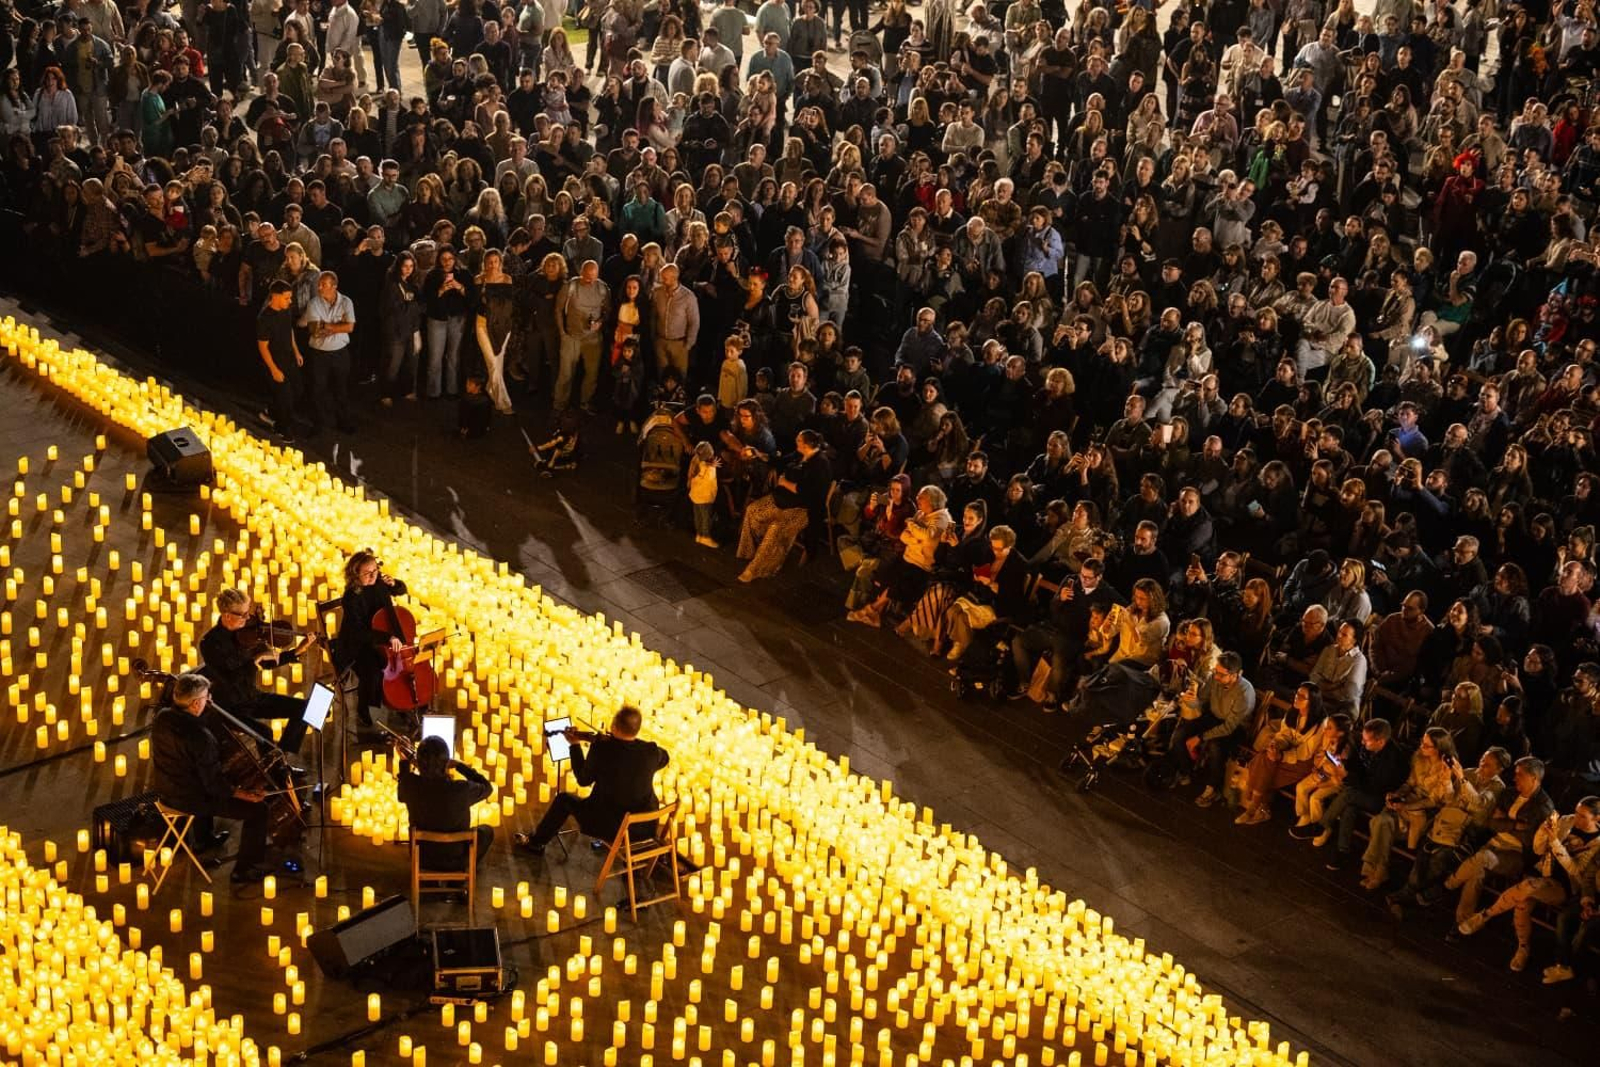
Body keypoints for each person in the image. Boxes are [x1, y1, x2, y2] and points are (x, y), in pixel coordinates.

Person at [149, 673, 273, 883]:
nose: (209, 701)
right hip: (188, 799)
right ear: (196, 703)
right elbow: (215, 786)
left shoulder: (161, 717)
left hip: (164, 790)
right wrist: (245, 794)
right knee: (259, 811)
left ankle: (203, 840)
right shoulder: (201, 738)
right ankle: (245, 869)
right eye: (206, 697)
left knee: (195, 774)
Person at [516, 705, 670, 854]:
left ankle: (536, 843)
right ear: (637, 729)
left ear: (614, 726)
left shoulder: (602, 750)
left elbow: (583, 780)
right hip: (644, 826)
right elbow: (664, 757)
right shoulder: (650, 751)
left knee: (563, 799)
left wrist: (574, 745)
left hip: (610, 826)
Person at [198, 588, 319, 763]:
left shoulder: (248, 633)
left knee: (304, 708)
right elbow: (230, 679)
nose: (249, 618)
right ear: (227, 616)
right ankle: (274, 772)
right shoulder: (210, 644)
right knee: (264, 733)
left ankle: (281, 760)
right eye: (243, 614)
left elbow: (266, 662)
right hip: (229, 707)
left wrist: (297, 651)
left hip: (252, 697)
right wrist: (253, 660)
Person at [333, 549, 409, 735]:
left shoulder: (380, 583)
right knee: (373, 672)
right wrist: (387, 638)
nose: (373, 575)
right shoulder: (351, 597)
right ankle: (364, 708)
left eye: (375, 570)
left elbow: (401, 590)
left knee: (401, 666)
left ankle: (399, 702)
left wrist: (395, 583)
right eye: (367, 573)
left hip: (383, 640)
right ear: (355, 575)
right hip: (360, 644)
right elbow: (359, 632)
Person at [398, 735, 494, 870]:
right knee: (487, 832)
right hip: (457, 858)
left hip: (422, 857)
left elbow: (402, 792)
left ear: (418, 763)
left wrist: (404, 761)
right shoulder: (461, 789)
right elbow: (487, 788)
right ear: (446, 763)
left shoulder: (411, 785)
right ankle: (461, 875)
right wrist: (460, 766)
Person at [298, 270, 357, 434]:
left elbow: (350, 327)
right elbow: (315, 331)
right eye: (319, 284)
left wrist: (327, 326)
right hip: (319, 354)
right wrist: (338, 326)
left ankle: (343, 421)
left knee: (341, 389)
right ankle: (318, 424)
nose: (319, 287)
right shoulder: (314, 303)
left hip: (340, 353)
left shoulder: (346, 302)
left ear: (334, 286)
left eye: (323, 284)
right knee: (318, 390)